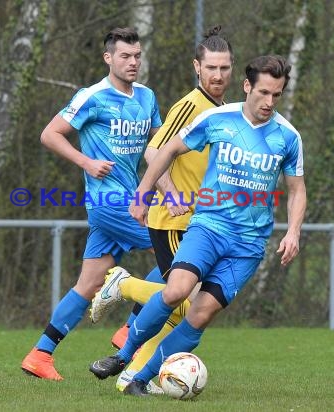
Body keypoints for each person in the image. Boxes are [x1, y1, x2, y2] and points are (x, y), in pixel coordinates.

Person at [89, 54, 307, 396]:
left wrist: (293, 231)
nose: (269, 102)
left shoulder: (288, 137)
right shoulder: (218, 118)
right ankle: (123, 354)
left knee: (201, 314)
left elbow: (297, 189)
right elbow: (167, 148)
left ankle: (140, 379)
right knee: (176, 291)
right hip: (208, 226)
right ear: (247, 86)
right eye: (263, 92)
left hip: (248, 246)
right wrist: (144, 192)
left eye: (276, 95)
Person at [88, 26, 234, 392]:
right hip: (173, 220)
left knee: (182, 304)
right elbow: (155, 150)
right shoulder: (190, 105)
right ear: (197, 67)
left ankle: (135, 371)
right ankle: (124, 286)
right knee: (181, 301)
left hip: (202, 222)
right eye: (211, 68)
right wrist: (166, 191)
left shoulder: (223, 110)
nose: (218, 75)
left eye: (225, 68)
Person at [20, 27, 162, 381]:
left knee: (88, 282)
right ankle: (132, 328)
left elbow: (156, 152)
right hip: (108, 202)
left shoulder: (147, 97)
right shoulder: (92, 96)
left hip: (132, 198)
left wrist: (166, 191)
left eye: (137, 56)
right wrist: (86, 162)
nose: (133, 62)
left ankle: (40, 354)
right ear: (108, 58)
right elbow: (49, 134)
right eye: (125, 56)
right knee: (176, 251)